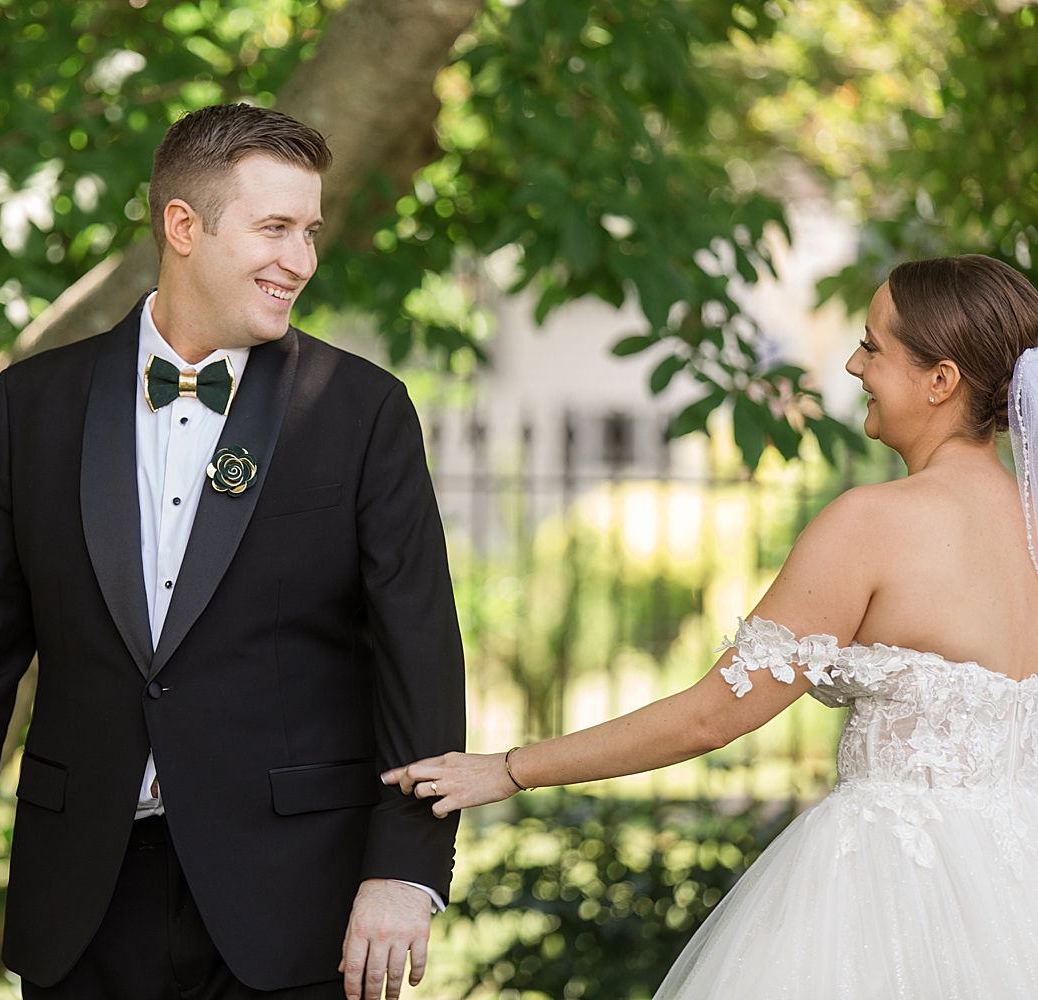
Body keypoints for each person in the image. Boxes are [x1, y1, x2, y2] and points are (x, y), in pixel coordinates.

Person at [0, 103, 466, 1000]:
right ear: (182, 226)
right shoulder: (35, 406)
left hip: (298, 903)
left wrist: (404, 869)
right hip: (82, 895)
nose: (301, 260)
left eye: (310, 231)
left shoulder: (362, 412)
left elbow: (420, 660)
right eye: (275, 228)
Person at [386, 254, 1038, 996]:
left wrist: (507, 769)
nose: (854, 364)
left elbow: (709, 719)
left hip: (887, 891)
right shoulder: (1032, 527)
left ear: (941, 380)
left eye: (873, 345)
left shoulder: (874, 523)